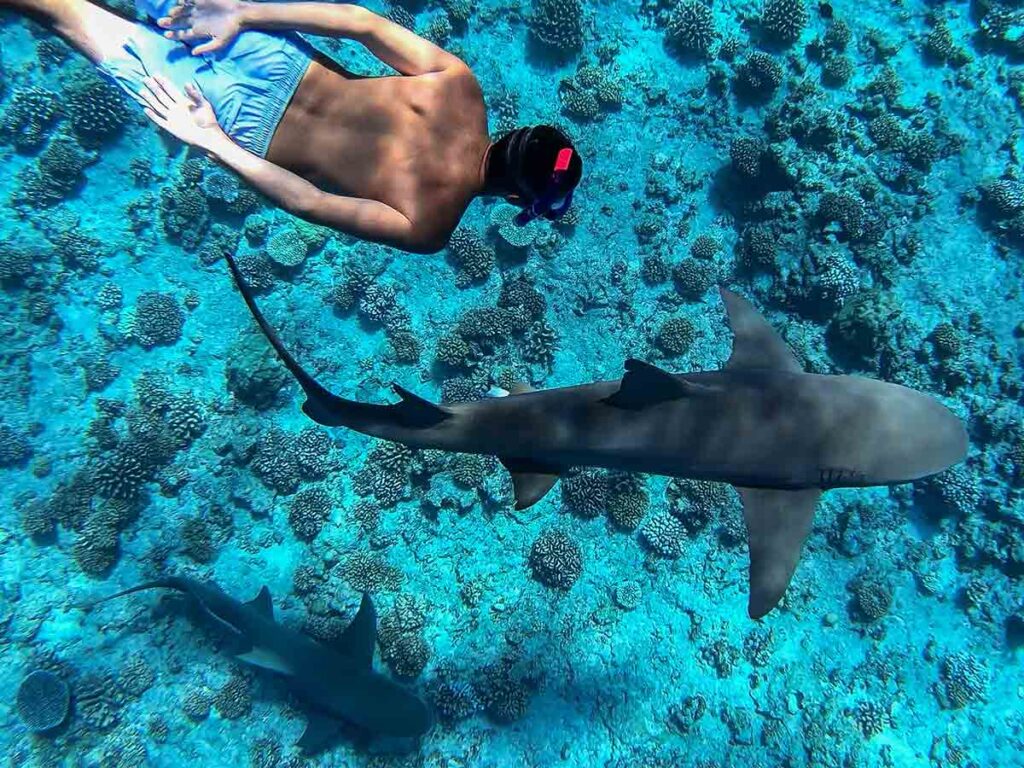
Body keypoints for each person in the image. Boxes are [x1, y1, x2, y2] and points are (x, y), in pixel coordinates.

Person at [2, 0, 584, 253]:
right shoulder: (430, 226)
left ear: (518, 134)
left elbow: (357, 23)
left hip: (277, 59)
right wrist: (211, 140)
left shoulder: (460, 85)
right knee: (64, 15)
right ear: (515, 196)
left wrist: (243, 12)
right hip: (239, 123)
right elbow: (306, 202)